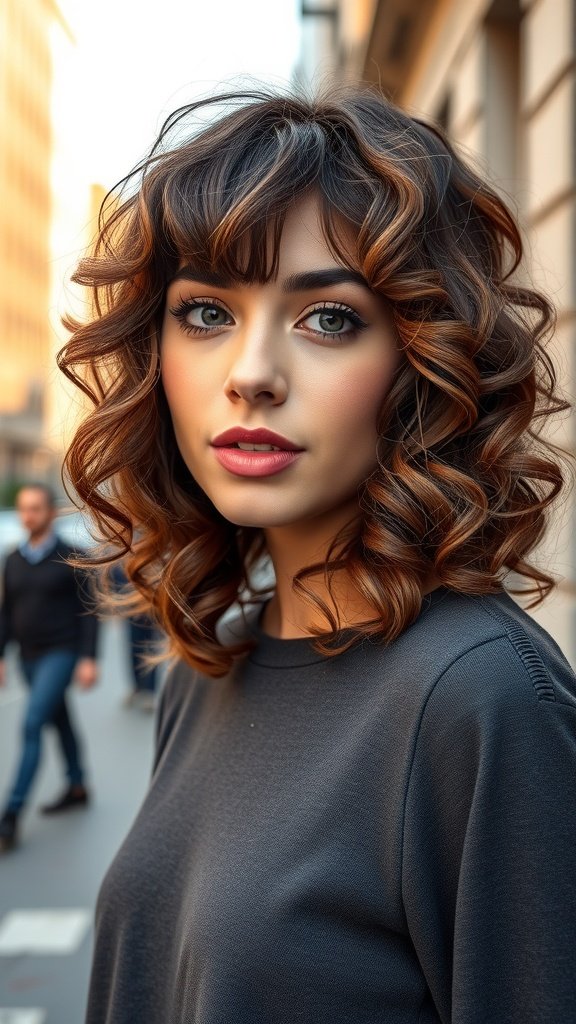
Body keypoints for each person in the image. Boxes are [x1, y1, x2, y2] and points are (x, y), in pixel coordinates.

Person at [57, 86, 576, 1022]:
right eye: (206, 313)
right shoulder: (213, 663)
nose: (251, 373)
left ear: (423, 361)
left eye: (328, 318)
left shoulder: (480, 702)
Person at [0, 483, 98, 852]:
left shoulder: (72, 557)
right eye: (24, 509)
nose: (29, 515)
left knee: (32, 723)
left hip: (62, 652)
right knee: (60, 719)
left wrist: (89, 658)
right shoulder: (13, 559)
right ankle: (77, 785)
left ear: (50, 512)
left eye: (36, 508)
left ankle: (10, 815)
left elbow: (90, 612)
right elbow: (6, 612)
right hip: (27, 656)